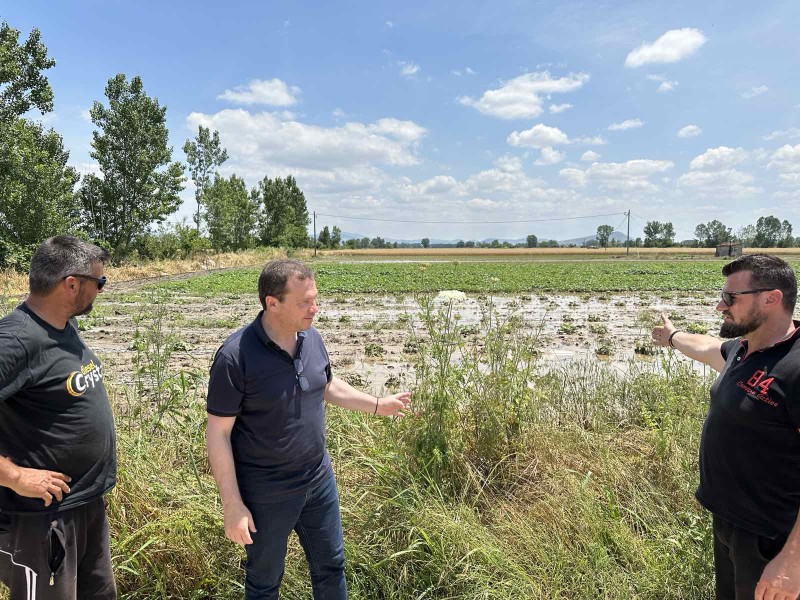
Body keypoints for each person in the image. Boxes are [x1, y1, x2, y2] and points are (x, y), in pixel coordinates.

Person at [205, 259, 412, 600]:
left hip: (318, 479)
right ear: (272, 303)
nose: (314, 309)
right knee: (264, 582)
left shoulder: (311, 337)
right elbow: (218, 433)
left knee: (331, 566)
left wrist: (378, 404)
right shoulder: (235, 357)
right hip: (266, 492)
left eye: (315, 299)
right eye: (304, 302)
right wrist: (232, 505)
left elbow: (325, 384)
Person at [651, 253, 800, 600]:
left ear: (771, 298)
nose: (720, 306)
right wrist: (673, 336)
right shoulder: (743, 350)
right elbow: (707, 347)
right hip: (731, 525)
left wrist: (792, 561)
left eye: (731, 298)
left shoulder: (796, 366)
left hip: (772, 539)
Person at [0, 236, 116, 600]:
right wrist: (15, 477)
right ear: (71, 284)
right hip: (42, 519)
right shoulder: (16, 341)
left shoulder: (65, 326)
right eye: (99, 282)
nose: (100, 290)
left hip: (83, 505)